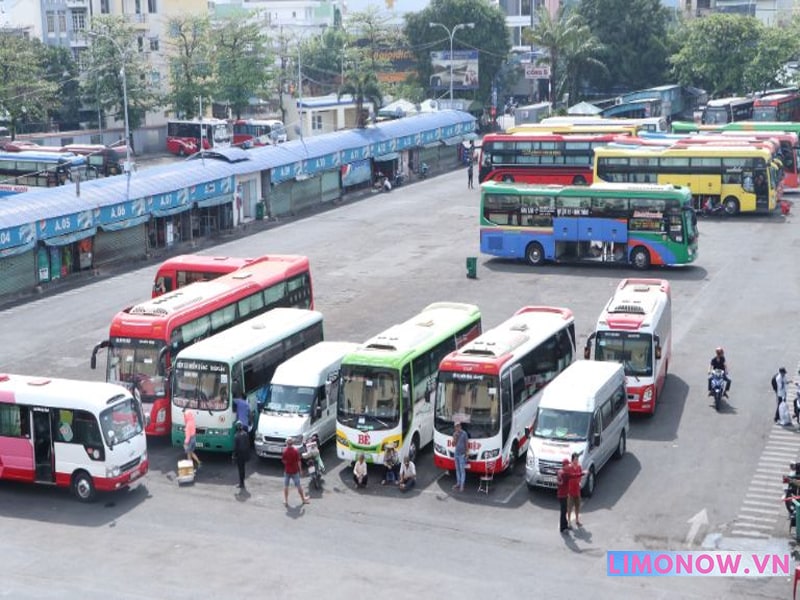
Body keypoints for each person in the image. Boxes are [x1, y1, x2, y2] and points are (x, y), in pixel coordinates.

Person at [281, 436, 310, 507]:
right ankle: (303, 499)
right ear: (292, 443)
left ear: (286, 443)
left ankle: (285, 500)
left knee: (286, 486)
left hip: (287, 471)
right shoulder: (295, 451)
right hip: (295, 471)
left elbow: (284, 461)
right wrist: (301, 470)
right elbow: (299, 461)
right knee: (298, 486)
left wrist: (288, 463)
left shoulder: (285, 451)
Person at [232, 421, 250, 490]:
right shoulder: (245, 434)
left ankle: (241, 483)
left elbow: (235, 448)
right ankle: (242, 483)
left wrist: (233, 456)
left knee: (240, 469)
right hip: (244, 454)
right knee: (243, 469)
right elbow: (248, 444)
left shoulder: (236, 435)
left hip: (239, 455)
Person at [567, 452, 583, 528]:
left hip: (577, 491)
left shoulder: (579, 467)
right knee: (569, 507)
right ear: (572, 460)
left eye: (577, 459)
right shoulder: (569, 468)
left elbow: (580, 476)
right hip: (570, 491)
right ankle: (569, 521)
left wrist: (579, 482)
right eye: (575, 459)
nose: (577, 461)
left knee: (577, 506)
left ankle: (577, 520)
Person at [452, 421, 469, 492]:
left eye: (458, 426)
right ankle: (458, 483)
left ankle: (462, 485)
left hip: (462, 455)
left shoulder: (464, 434)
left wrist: (467, 453)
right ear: (455, 428)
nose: (457, 427)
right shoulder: (454, 434)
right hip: (456, 454)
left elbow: (466, 444)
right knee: (457, 469)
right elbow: (453, 444)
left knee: (462, 470)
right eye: (456, 426)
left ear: (460, 426)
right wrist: (455, 438)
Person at [557, 458, 571, 533]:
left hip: (560, 494)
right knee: (563, 511)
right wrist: (582, 473)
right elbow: (573, 476)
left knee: (564, 511)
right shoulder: (565, 474)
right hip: (563, 495)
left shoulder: (559, 472)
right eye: (568, 464)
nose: (568, 466)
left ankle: (565, 525)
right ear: (564, 465)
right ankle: (563, 528)